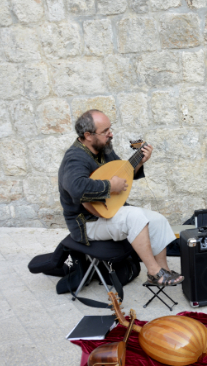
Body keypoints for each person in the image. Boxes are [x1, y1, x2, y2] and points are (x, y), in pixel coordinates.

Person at [58, 110, 183, 286]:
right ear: (88, 135)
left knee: (158, 219)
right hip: (87, 223)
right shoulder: (75, 158)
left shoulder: (104, 148)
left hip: (109, 212)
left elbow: (122, 174)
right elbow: (76, 188)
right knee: (134, 217)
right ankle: (154, 273)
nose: (111, 134)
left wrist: (139, 162)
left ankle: (164, 270)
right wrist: (109, 186)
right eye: (105, 131)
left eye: (110, 128)